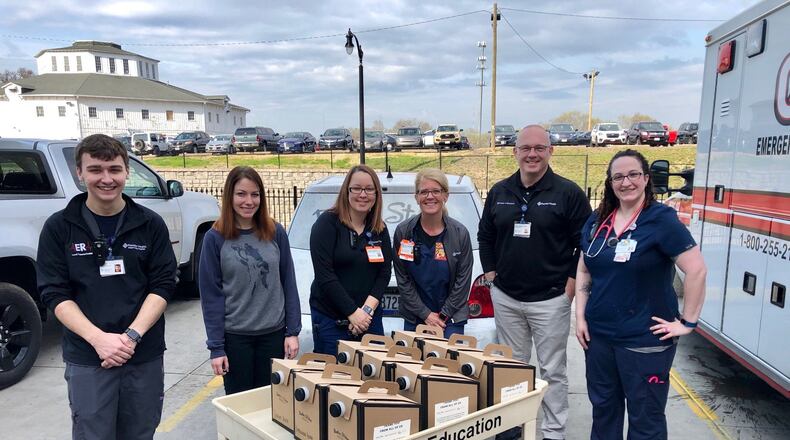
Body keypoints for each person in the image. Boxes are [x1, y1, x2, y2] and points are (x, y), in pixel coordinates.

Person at [37, 134, 177, 439]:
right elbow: (54, 293)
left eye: (114, 169)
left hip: (142, 354)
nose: (106, 179)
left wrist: (131, 337)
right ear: (80, 172)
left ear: (126, 171)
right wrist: (98, 339)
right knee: (93, 434)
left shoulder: (150, 224)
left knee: (141, 432)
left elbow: (163, 284)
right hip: (89, 358)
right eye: (95, 169)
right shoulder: (59, 227)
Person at [575, 149, 706, 440]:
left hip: (644, 342)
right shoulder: (598, 221)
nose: (626, 182)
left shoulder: (661, 220)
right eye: (618, 177)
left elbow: (696, 270)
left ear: (646, 179)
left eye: (633, 174)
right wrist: (580, 316)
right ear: (610, 183)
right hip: (599, 339)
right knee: (603, 411)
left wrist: (687, 323)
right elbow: (584, 269)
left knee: (646, 420)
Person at [478, 124, 591, 440]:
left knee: (552, 370)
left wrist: (571, 283)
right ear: (515, 152)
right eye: (525, 148)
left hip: (551, 299)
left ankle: (553, 431)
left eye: (539, 148)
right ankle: (512, 425)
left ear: (550, 151)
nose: (532, 154)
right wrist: (491, 274)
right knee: (513, 368)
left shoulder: (568, 193)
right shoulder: (500, 192)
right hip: (507, 297)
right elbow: (485, 236)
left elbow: (585, 243)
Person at [198, 166, 301, 395]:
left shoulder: (276, 232)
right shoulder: (215, 238)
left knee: (270, 405)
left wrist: (292, 332)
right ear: (229, 196)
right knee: (240, 406)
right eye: (241, 194)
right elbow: (211, 297)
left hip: (273, 336)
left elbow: (288, 283)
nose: (249, 201)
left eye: (255, 194)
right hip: (236, 340)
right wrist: (216, 347)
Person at [309, 164, 392, 356]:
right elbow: (325, 275)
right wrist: (353, 313)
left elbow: (384, 273)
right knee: (335, 374)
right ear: (347, 191)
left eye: (369, 189)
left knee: (372, 374)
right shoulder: (327, 224)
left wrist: (365, 312)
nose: (363, 194)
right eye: (357, 188)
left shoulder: (379, 229)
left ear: (376, 194)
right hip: (332, 321)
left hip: (369, 320)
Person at [393, 168, 473, 338]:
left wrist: (441, 317)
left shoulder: (460, 234)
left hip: (450, 319)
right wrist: (426, 315)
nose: (430, 196)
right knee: (413, 357)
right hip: (416, 316)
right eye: (424, 192)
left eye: (436, 191)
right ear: (416, 197)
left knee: (449, 356)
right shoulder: (404, 232)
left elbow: (463, 282)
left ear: (445, 196)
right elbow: (403, 279)